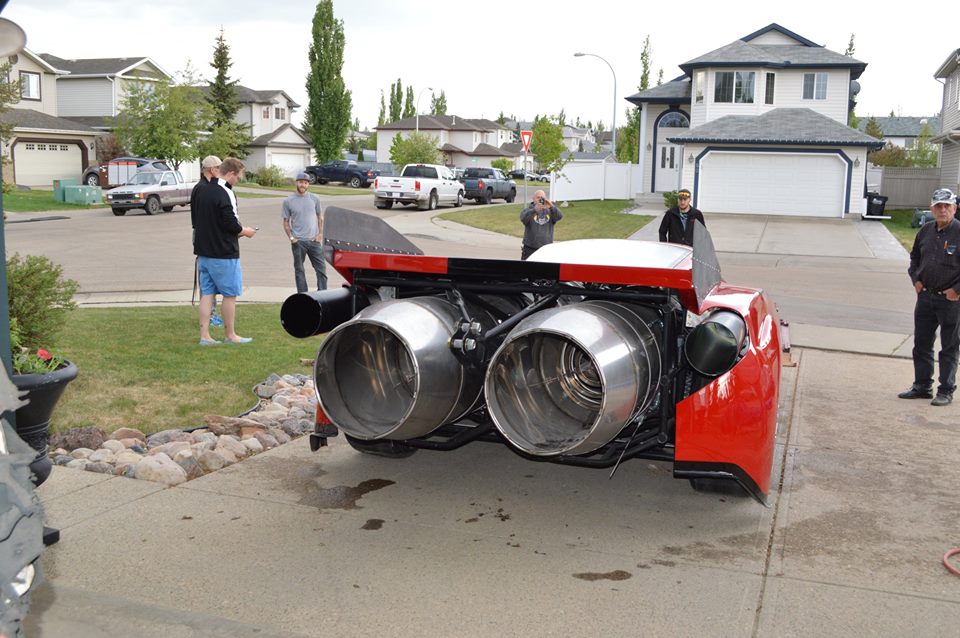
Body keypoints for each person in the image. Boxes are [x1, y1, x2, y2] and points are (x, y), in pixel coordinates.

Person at [898, 187, 960, 406]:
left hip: (951, 300)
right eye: (938, 206)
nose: (942, 210)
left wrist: (956, 291)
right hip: (925, 297)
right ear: (932, 209)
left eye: (946, 206)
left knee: (949, 346)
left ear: (954, 208)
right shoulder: (925, 231)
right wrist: (916, 280)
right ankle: (922, 386)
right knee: (922, 343)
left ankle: (945, 390)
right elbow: (914, 258)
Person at [192, 157, 258, 345]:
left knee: (207, 294)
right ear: (230, 173)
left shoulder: (202, 191)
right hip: (223, 253)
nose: (237, 181)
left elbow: (202, 222)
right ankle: (230, 335)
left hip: (204, 253)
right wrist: (246, 231)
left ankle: (205, 336)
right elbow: (230, 223)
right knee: (230, 294)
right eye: (238, 177)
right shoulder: (225, 192)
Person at [191, 156, 224, 327]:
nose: (221, 171)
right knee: (208, 281)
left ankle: (211, 313)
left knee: (209, 280)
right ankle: (210, 315)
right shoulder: (203, 188)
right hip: (205, 238)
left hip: (204, 237)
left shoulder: (203, 187)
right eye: (219, 168)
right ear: (212, 170)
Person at [282, 172, 327, 292]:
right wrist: (291, 238)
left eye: (306, 183)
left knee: (321, 270)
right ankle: (303, 295)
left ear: (308, 185)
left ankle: (322, 294)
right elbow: (286, 222)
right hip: (298, 242)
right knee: (299, 270)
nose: (303, 185)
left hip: (314, 241)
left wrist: (320, 234)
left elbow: (320, 216)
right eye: (301, 182)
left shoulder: (314, 198)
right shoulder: (288, 201)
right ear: (297, 183)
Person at [520, 190, 562, 260]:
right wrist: (534, 210)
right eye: (538, 197)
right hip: (530, 248)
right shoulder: (528, 210)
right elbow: (523, 218)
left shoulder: (550, 211)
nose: (540, 199)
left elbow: (559, 216)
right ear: (533, 199)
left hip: (545, 249)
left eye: (542, 198)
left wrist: (551, 206)